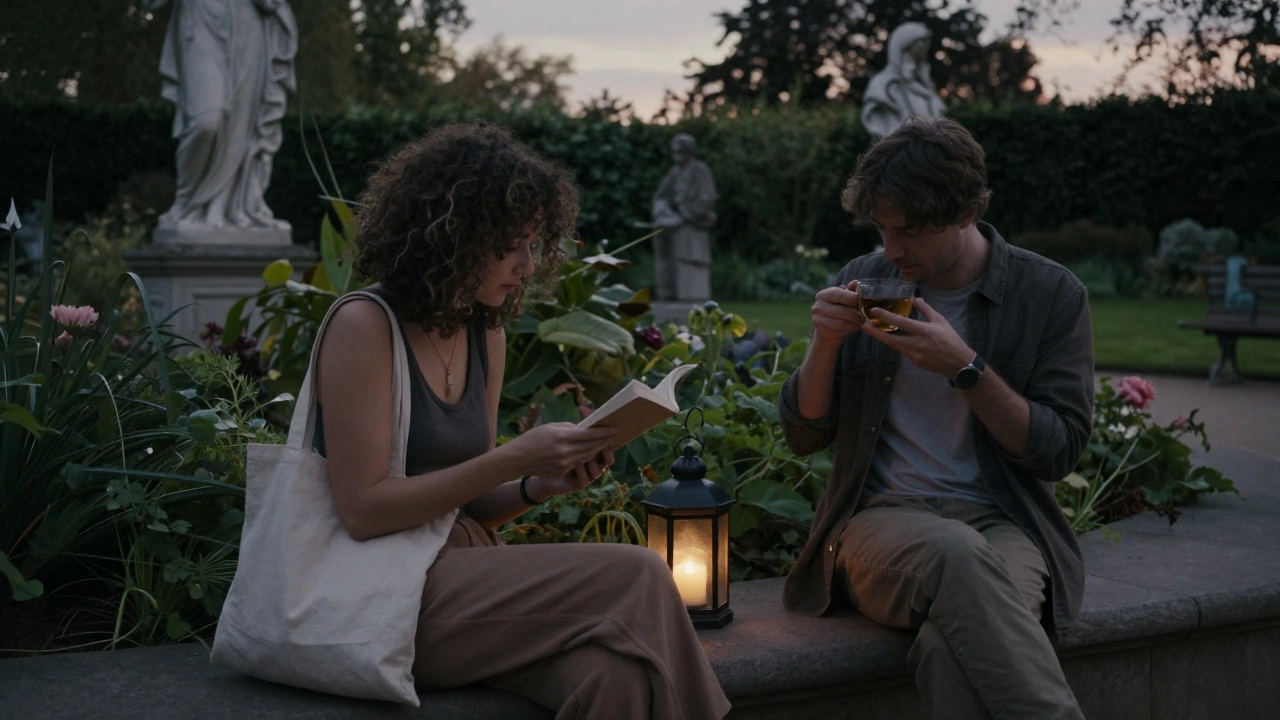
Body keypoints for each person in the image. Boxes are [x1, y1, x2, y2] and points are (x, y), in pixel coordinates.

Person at [313, 123, 731, 720]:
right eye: (510, 245)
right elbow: (362, 509)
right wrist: (513, 457)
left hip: (468, 570)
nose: (527, 265)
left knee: (613, 677)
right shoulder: (365, 326)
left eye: (534, 244)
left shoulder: (485, 331)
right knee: (637, 572)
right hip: (387, 590)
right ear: (451, 237)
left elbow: (472, 502)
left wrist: (538, 484)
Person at [778, 116, 1092, 719]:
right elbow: (804, 431)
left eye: (912, 232)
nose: (893, 249)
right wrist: (824, 343)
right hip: (880, 523)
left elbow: (1059, 450)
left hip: (1005, 522)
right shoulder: (864, 280)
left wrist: (964, 367)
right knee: (955, 552)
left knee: (951, 650)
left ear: (968, 211)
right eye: (882, 228)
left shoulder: (1050, 294)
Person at [146, 0, 296, 230]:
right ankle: (186, 202)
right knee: (207, 122)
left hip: (248, 22)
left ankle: (227, 207)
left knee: (241, 128)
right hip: (201, 21)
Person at [651, 133, 717, 302]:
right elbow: (661, 196)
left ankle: (690, 296)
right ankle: (668, 293)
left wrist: (682, 217)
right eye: (674, 151)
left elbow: (706, 199)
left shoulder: (700, 170)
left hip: (693, 222)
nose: (676, 154)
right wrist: (663, 213)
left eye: (679, 151)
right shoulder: (675, 172)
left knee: (687, 255)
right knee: (663, 250)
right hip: (673, 222)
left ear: (688, 151)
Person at [861, 22, 947, 138]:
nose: (913, 66)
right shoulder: (883, 84)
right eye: (910, 57)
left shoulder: (926, 91)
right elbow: (879, 127)